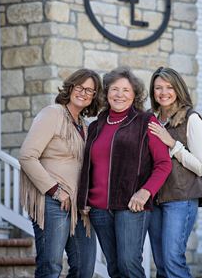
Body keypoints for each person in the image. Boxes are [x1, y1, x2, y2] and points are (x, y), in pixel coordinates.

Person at [78, 66, 172, 278]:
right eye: (114, 89)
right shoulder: (96, 126)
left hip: (131, 206)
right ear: (106, 93)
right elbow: (87, 166)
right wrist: (83, 197)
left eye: (126, 90)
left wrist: (145, 192)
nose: (119, 95)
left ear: (135, 95)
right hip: (99, 209)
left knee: (129, 264)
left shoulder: (146, 122)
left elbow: (164, 164)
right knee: (114, 268)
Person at [19, 68, 102, 278]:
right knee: (50, 267)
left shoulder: (85, 126)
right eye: (80, 87)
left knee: (84, 267)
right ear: (71, 87)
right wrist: (56, 191)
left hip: (78, 207)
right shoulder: (52, 113)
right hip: (52, 201)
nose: (83, 93)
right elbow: (27, 156)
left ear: (94, 97)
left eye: (90, 91)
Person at [147, 66, 202, 278]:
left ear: (178, 89)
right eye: (158, 88)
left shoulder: (191, 119)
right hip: (155, 200)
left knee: (173, 261)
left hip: (181, 199)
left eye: (169, 87)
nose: (163, 92)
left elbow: (201, 166)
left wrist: (172, 144)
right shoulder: (151, 119)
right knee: (162, 265)